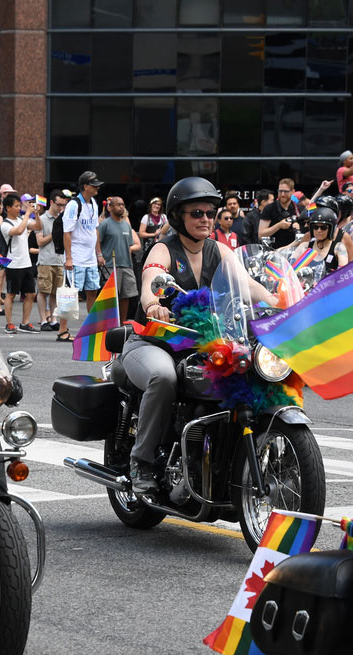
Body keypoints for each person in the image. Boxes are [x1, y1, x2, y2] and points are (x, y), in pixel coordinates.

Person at [120, 177, 277, 493]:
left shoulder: (220, 250)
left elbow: (246, 285)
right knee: (163, 378)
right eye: (197, 213)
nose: (205, 219)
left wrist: (280, 303)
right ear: (178, 217)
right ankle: (143, 462)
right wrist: (153, 304)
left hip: (204, 343)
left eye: (209, 212)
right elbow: (153, 273)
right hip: (155, 341)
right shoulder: (164, 248)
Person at [62, 170, 105, 327]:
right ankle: (62, 329)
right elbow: (67, 232)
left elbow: (95, 230)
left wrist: (98, 254)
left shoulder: (93, 203)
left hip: (90, 258)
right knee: (70, 294)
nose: (97, 188)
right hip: (77, 257)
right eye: (94, 186)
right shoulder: (74, 205)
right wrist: (68, 257)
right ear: (86, 186)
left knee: (92, 291)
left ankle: (91, 326)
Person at [0, 192, 40, 333]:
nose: (19, 208)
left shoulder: (22, 219)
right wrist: (28, 214)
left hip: (26, 263)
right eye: (16, 206)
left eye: (19, 206)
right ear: (8, 208)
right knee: (11, 294)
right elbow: (18, 231)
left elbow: (38, 227)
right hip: (14, 264)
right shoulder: (5, 224)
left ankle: (25, 323)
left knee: (30, 294)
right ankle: (9, 323)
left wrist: (37, 214)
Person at [36, 190, 68, 331]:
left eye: (63, 205)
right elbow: (40, 242)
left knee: (56, 292)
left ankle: (53, 319)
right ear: (51, 202)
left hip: (60, 260)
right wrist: (54, 234)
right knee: (43, 291)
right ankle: (44, 320)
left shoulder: (64, 219)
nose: (61, 208)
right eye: (59, 204)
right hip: (46, 260)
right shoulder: (42, 219)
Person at [256, 178, 300, 249]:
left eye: (285, 191)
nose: (282, 194)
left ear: (293, 191)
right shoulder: (269, 208)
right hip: (273, 250)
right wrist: (279, 226)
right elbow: (261, 235)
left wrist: (299, 227)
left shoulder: (297, 209)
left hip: (293, 250)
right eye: (280, 191)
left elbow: (304, 235)